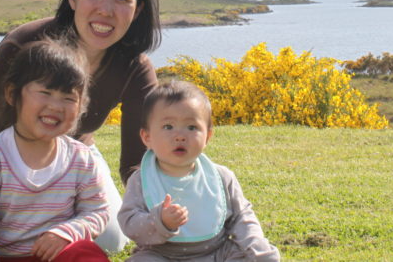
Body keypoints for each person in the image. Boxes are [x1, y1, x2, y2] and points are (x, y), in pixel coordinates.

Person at [0, 0, 161, 253]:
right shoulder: (23, 44)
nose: (106, 10)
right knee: (11, 238)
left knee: (113, 239)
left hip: (72, 157)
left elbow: (135, 163)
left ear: (138, 9)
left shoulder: (135, 68)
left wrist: (160, 207)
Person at [0, 39, 111, 262]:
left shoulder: (81, 158)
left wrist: (67, 233)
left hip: (56, 256)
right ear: (12, 94)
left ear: (81, 107)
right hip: (0, 257)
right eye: (45, 92)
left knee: (87, 254)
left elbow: (97, 211)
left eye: (69, 98)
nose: (56, 106)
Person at [118, 81, 280, 261]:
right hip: (161, 253)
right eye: (168, 127)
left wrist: (259, 249)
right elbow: (129, 223)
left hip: (216, 252)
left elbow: (243, 218)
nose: (180, 136)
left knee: (243, 257)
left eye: (192, 127)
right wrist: (160, 221)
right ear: (147, 137)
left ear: (208, 136)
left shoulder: (221, 177)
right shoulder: (142, 179)